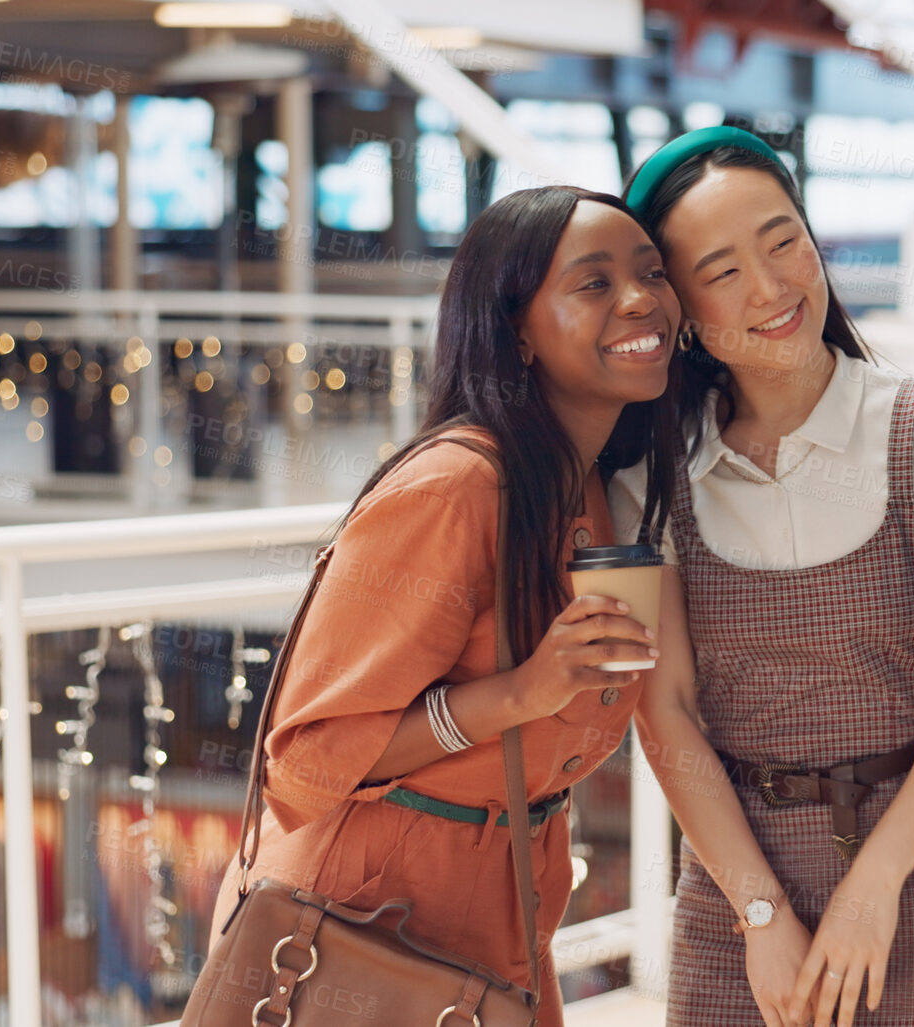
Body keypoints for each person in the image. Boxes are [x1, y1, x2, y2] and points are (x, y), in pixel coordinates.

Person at [207, 185, 681, 1026]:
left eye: (651, 272)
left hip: (504, 911)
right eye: (594, 283)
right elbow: (303, 765)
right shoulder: (456, 486)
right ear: (517, 332)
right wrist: (520, 694)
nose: (642, 298)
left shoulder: (593, 491)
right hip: (361, 923)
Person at [609, 127, 914, 1027]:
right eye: (720, 271)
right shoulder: (654, 477)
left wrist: (875, 882)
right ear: (676, 306)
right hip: (737, 896)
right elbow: (665, 707)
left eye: (783, 239)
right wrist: (760, 913)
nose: (770, 288)